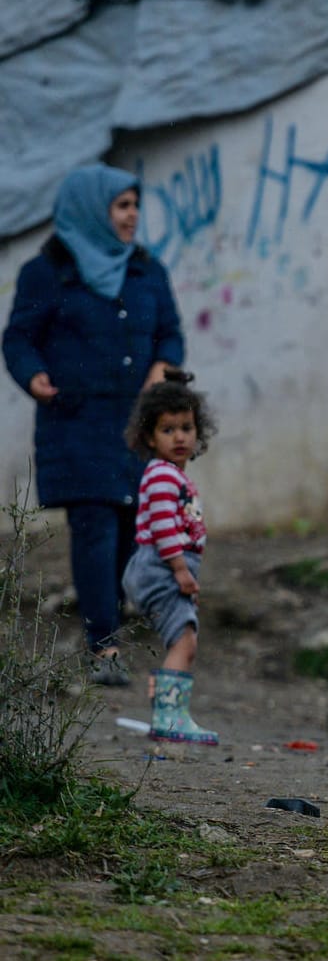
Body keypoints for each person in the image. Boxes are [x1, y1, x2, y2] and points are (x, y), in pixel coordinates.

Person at [3, 164, 185, 685]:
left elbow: (170, 333)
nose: (132, 217)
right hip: (77, 421)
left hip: (135, 424)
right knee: (94, 528)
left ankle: (111, 629)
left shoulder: (146, 270)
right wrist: (33, 374)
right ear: (91, 210)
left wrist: (161, 366)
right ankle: (102, 648)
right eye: (121, 206)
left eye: (134, 205)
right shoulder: (48, 272)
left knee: (132, 527)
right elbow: (18, 338)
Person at [121, 370, 217, 745]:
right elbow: (163, 529)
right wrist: (180, 570)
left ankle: (167, 708)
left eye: (187, 427)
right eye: (167, 429)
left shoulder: (172, 474)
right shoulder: (162, 476)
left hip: (165, 568)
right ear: (148, 436)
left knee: (182, 639)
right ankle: (169, 718)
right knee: (185, 642)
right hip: (162, 568)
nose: (180, 437)